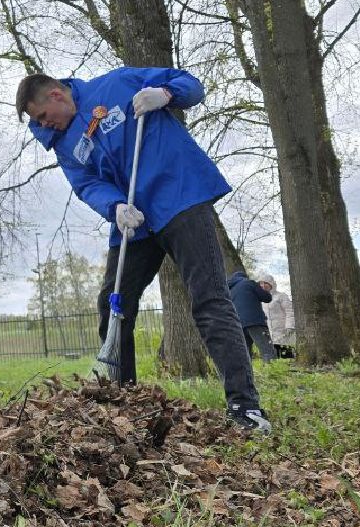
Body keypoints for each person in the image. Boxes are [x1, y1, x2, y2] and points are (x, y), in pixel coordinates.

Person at [16, 68, 272, 432]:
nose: (46, 125)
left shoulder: (118, 83)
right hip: (133, 222)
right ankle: (124, 402)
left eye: (44, 116)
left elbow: (191, 84)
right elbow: (86, 183)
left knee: (210, 298)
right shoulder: (62, 143)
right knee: (114, 304)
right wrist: (115, 207)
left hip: (179, 197)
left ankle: (245, 407)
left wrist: (166, 95)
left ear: (56, 95)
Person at [227, 269, 276, 362]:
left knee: (246, 353)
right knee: (266, 349)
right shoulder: (249, 283)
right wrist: (265, 290)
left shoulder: (230, 290)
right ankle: (273, 373)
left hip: (239, 325)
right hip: (255, 322)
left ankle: (248, 375)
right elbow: (267, 298)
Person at [260, 273, 297, 357]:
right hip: (269, 333)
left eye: (265, 283)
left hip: (283, 331)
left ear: (271, 284)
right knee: (274, 357)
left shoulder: (281, 296)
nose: (263, 285)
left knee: (286, 355)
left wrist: (290, 326)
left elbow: (290, 311)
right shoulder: (261, 300)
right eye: (261, 283)